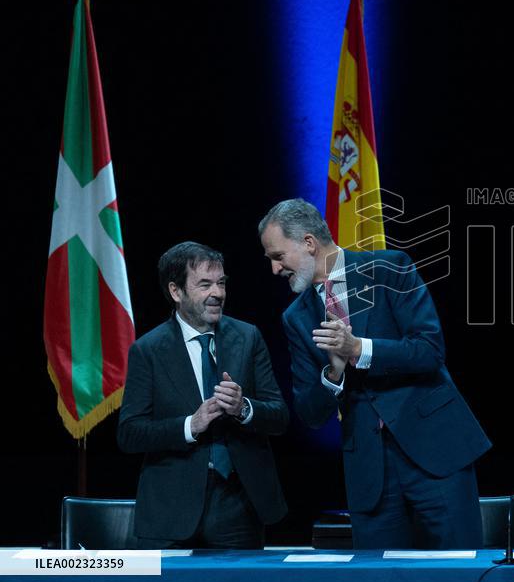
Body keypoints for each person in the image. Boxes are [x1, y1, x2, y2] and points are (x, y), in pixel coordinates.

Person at [258, 198, 491, 549]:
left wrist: (358, 349)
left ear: (308, 242)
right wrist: (333, 376)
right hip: (370, 472)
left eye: (278, 257)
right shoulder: (296, 317)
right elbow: (309, 412)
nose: (275, 270)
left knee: (458, 571)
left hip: (434, 453)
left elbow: (429, 351)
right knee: (381, 580)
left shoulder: (388, 269)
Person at [118, 242, 288, 548]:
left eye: (221, 283)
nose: (218, 293)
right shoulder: (148, 350)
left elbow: (279, 416)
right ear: (176, 291)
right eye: (205, 284)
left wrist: (244, 408)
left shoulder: (248, 337)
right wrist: (190, 425)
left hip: (238, 507)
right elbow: (130, 433)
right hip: (170, 509)